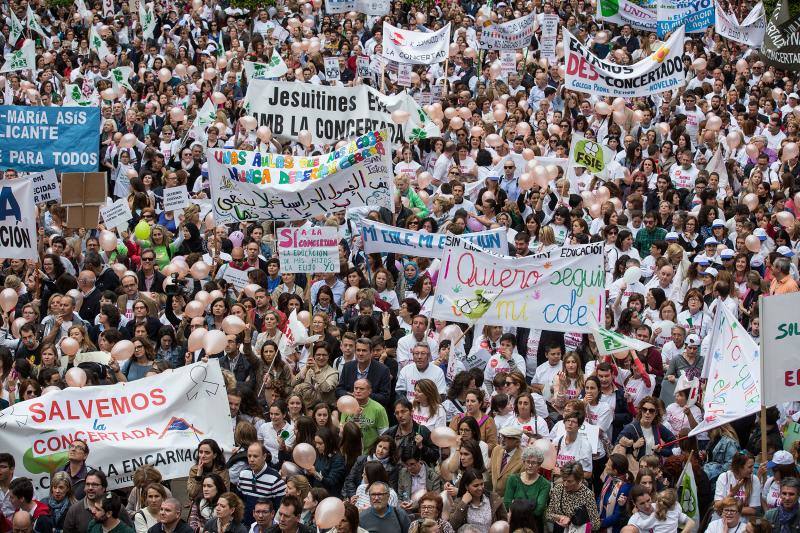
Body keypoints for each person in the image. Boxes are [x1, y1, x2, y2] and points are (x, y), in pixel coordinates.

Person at [63, 471, 134, 533]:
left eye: (94, 485)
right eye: (87, 484)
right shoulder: (74, 510)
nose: (90, 488)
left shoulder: (118, 508)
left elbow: (130, 529)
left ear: (103, 488)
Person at [503, 446, 550, 532]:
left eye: (534, 463)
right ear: (524, 462)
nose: (530, 465)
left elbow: (538, 510)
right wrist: (531, 504)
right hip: (514, 525)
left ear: (539, 465)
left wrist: (516, 503)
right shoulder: (513, 479)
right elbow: (507, 503)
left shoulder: (545, 484)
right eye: (528, 461)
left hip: (534, 526)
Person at [237, 443, 286, 525]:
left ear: (264, 457)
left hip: (267, 527)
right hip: (245, 525)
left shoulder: (275, 478)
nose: (251, 460)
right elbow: (239, 501)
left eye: (255, 456)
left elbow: (280, 508)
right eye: (249, 456)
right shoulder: (243, 474)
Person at [546, 462, 600, 533]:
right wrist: (560, 517)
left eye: (569, 481)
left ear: (579, 480)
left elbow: (596, 524)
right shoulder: (558, 489)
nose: (565, 484)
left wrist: (572, 523)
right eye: (564, 480)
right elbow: (548, 514)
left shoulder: (588, 495)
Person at [339, 379, 389, 454]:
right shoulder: (347, 405)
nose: (358, 391)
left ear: (369, 391)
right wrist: (355, 418)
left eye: (361, 389)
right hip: (349, 452)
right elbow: (342, 431)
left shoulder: (379, 409)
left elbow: (384, 435)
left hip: (370, 453)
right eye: (356, 388)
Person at [489, 427, 523, 498]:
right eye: (502, 436)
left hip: (509, 500)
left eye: (507, 438)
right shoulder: (496, 449)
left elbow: (521, 486)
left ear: (517, 441)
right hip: (493, 497)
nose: (503, 440)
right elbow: (490, 471)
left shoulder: (523, 459)